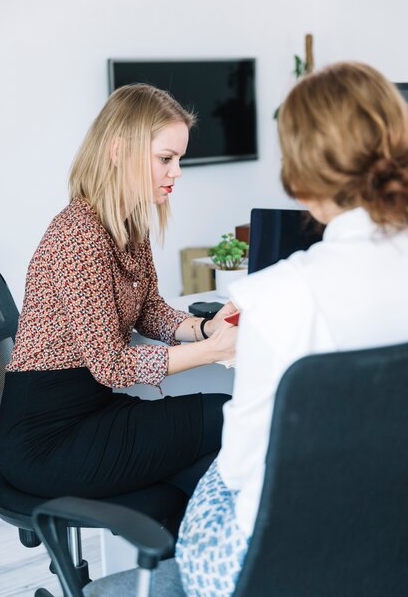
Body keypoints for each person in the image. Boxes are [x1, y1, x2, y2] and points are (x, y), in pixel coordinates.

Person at [175, 61, 408, 597]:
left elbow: (241, 468)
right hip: (395, 545)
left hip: (291, 567)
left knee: (217, 475)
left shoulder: (277, 297)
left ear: (299, 180)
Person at [0, 83, 238, 501]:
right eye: (166, 159)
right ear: (118, 152)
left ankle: (193, 555)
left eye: (178, 159)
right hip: (46, 437)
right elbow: (111, 365)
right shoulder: (78, 235)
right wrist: (215, 350)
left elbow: (149, 312)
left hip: (91, 412)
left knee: (213, 450)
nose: (176, 172)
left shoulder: (130, 225)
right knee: (226, 417)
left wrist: (205, 327)